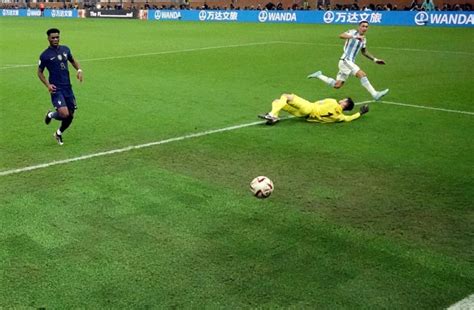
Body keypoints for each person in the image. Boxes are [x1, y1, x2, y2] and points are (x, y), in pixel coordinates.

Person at [307, 20, 389, 101]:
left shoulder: (364, 39)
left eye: (366, 27)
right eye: (363, 26)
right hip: (345, 60)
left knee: (337, 85)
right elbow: (341, 35)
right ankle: (375, 94)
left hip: (348, 62)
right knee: (361, 74)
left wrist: (375, 60)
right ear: (359, 27)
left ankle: (319, 75)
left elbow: (364, 52)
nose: (364, 28)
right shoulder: (353, 32)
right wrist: (355, 37)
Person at [38, 28, 83, 145]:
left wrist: (79, 69)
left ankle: (58, 133)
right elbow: (39, 72)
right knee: (64, 114)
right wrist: (48, 84)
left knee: (70, 116)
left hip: (68, 87)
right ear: (48, 38)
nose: (55, 39)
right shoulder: (45, 55)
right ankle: (50, 114)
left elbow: (72, 60)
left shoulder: (65, 49)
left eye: (57, 37)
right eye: (53, 38)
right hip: (56, 89)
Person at [258, 93, 369, 125]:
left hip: (308, 107)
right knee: (277, 102)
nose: (341, 99)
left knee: (286, 96)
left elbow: (318, 102)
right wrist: (360, 113)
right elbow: (349, 118)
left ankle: (272, 114)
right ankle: (274, 118)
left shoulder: (332, 101)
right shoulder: (339, 117)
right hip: (303, 115)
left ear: (345, 103)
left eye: (344, 100)